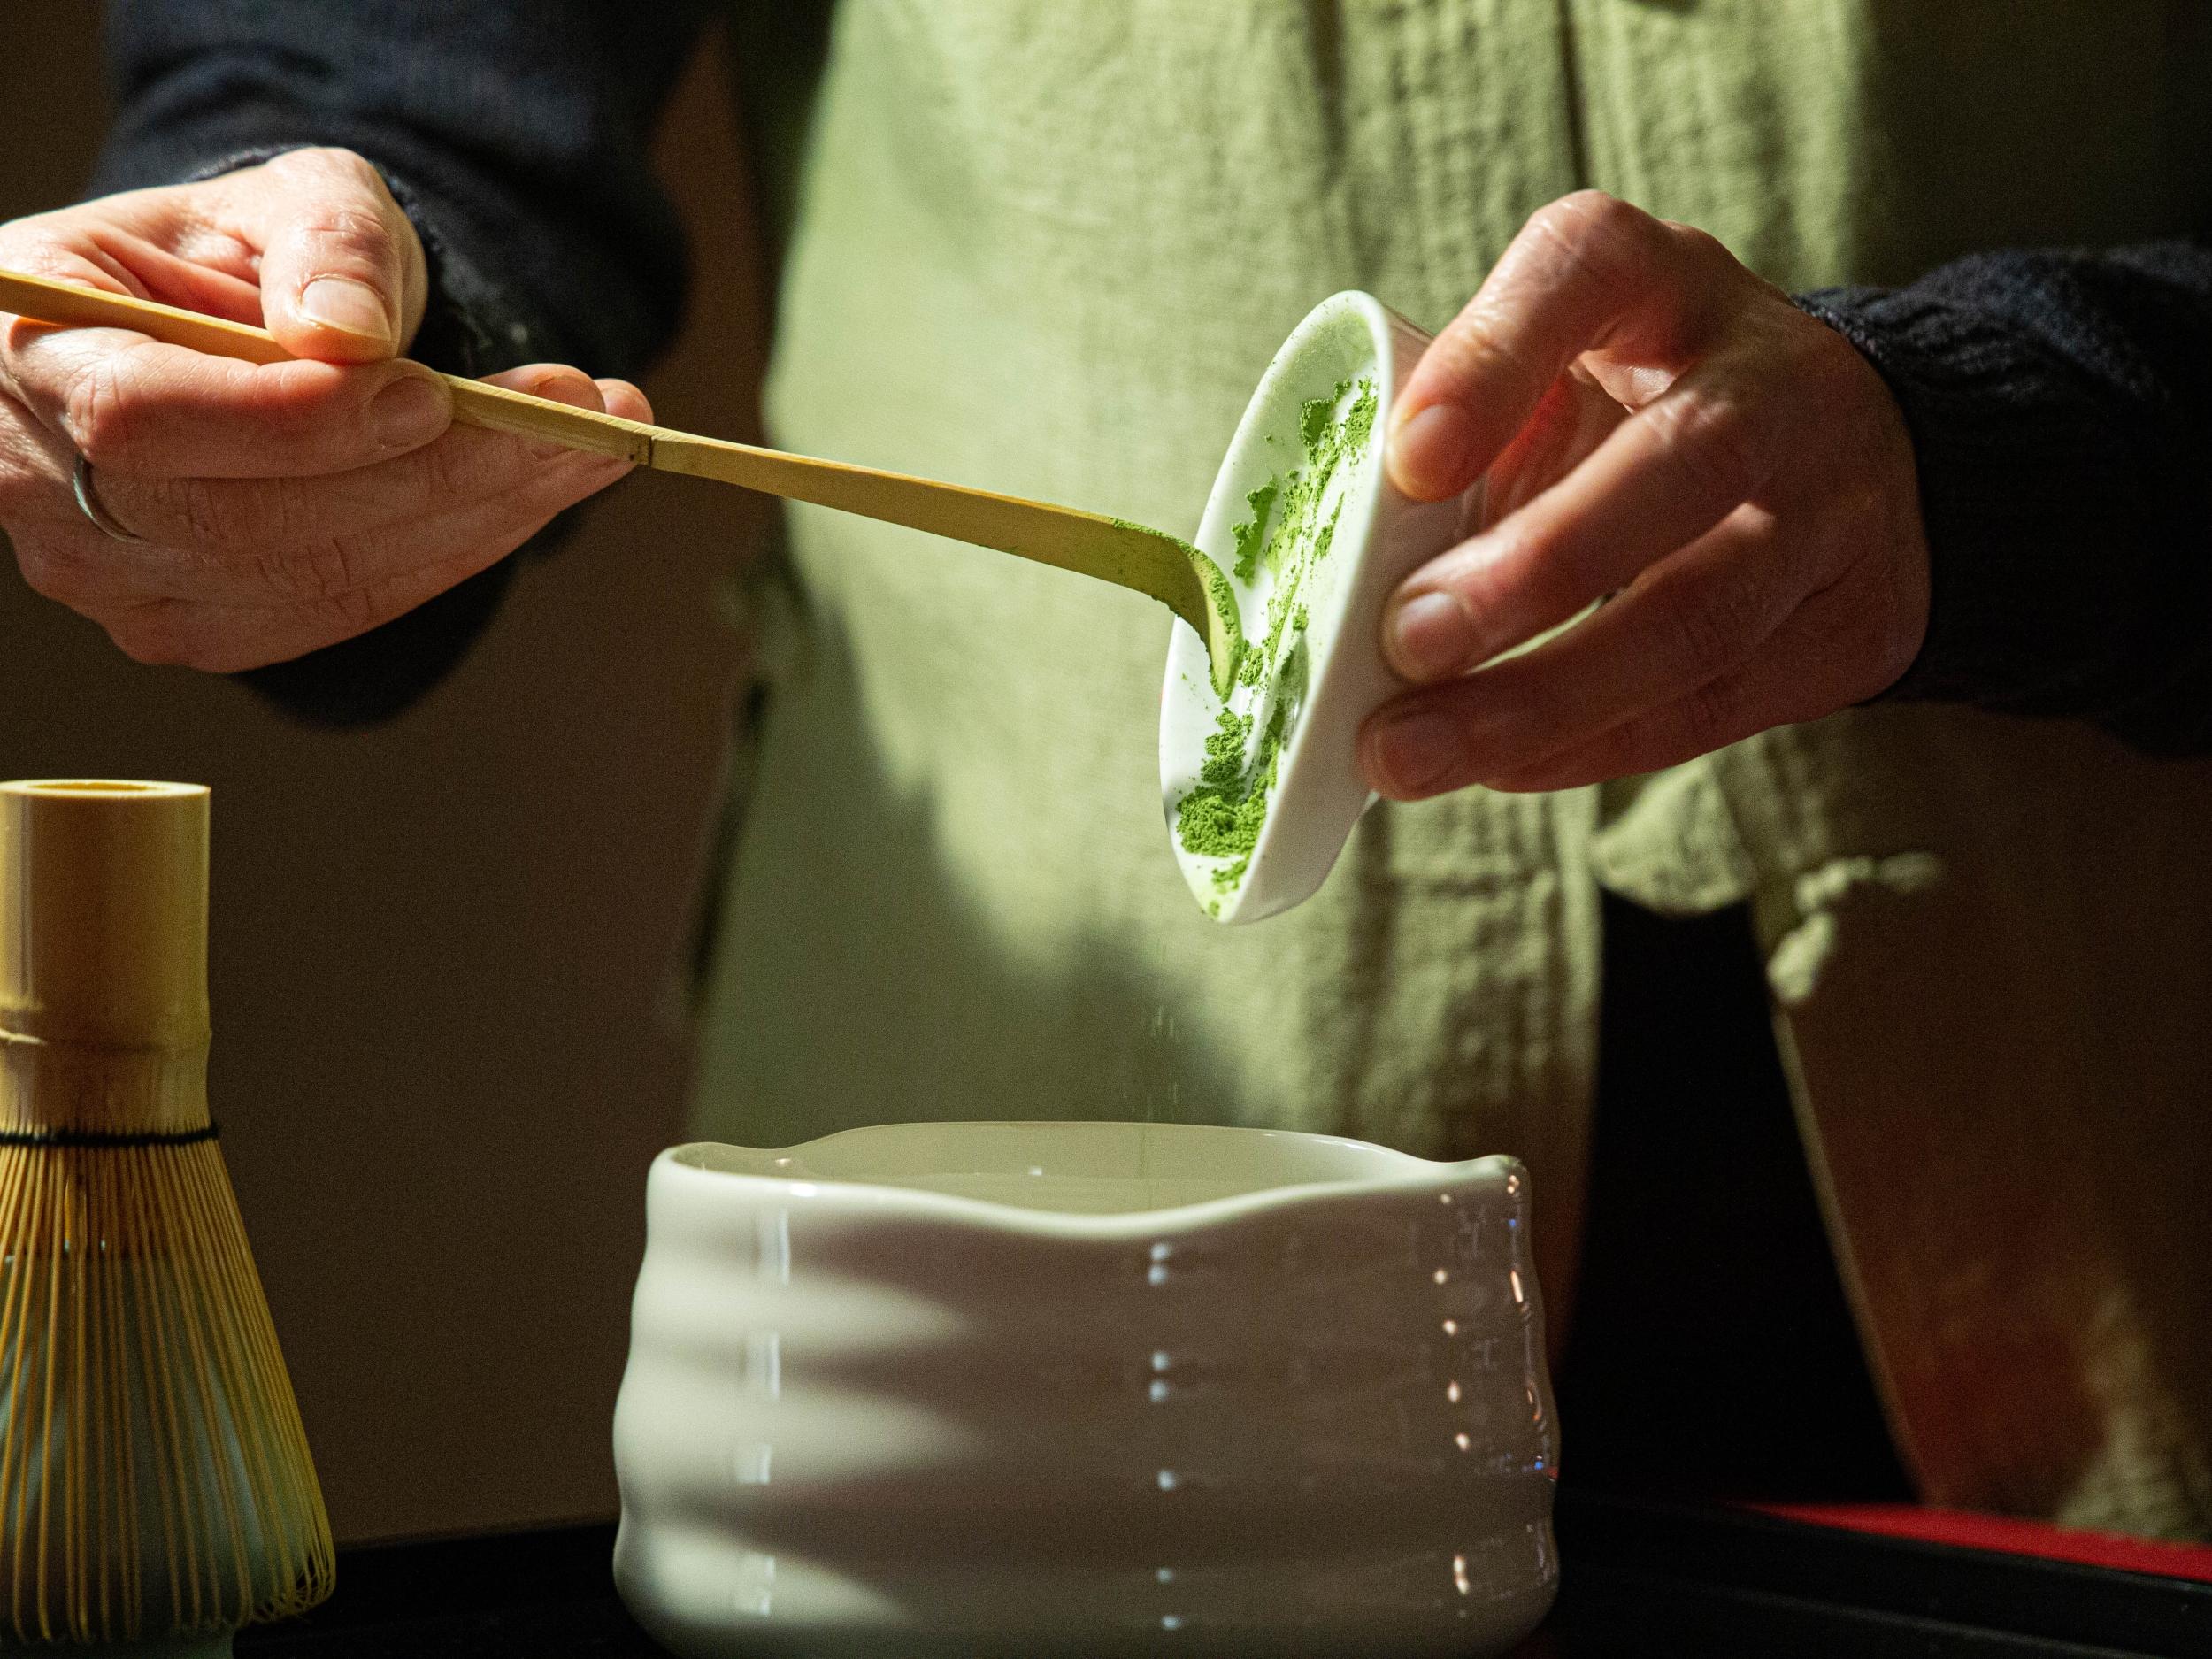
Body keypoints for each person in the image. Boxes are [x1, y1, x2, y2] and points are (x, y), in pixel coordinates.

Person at [2, 3, 2207, 1537]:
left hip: (2121, 1214)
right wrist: (330, 311)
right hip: (1013, 1292)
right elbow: (383, 71)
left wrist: (2017, 443)